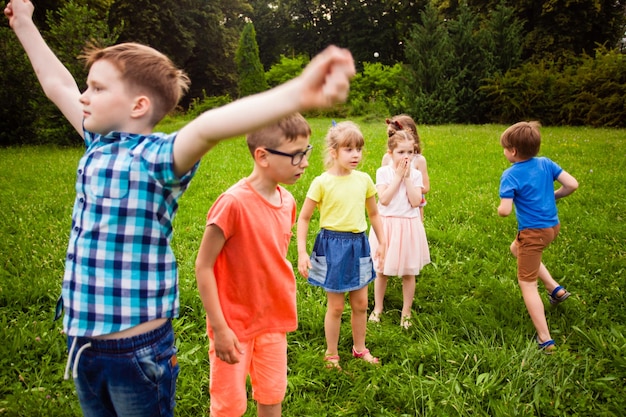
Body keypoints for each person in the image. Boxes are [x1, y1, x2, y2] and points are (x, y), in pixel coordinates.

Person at [5, 0, 355, 415]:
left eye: (97, 88)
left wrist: (296, 92)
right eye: (87, 86)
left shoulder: (159, 159)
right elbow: (55, 84)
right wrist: (25, 23)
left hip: (138, 353)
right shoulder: (97, 143)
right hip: (83, 344)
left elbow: (208, 127)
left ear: (138, 106)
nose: (83, 96)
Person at [195, 114, 312, 417]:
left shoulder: (287, 201)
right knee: (229, 407)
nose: (305, 163)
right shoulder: (232, 203)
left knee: (272, 396)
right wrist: (220, 328)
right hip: (233, 326)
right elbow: (203, 266)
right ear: (262, 156)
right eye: (297, 155)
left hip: (274, 320)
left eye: (306, 152)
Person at [297, 121, 386, 369]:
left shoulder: (364, 180)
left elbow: (374, 214)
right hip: (332, 247)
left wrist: (383, 241)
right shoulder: (322, 182)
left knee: (361, 304)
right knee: (335, 307)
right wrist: (302, 252)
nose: (356, 154)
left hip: (358, 246)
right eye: (348, 149)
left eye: (358, 149)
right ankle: (332, 353)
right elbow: (303, 218)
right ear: (334, 151)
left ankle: (360, 349)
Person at [497, 121, 578, 352]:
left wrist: (501, 209)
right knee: (516, 249)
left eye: (505, 148)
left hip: (532, 234)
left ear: (513, 151)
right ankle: (556, 289)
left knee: (527, 283)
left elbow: (504, 210)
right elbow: (572, 184)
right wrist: (555, 195)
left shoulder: (510, 175)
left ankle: (545, 339)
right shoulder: (545, 163)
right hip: (552, 227)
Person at [367, 130, 430, 329]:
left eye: (410, 152)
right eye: (401, 152)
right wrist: (398, 177)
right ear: (391, 153)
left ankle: (406, 311)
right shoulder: (383, 172)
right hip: (387, 225)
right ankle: (378, 308)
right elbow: (384, 199)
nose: (405, 156)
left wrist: (408, 178)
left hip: (408, 225)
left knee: (408, 272)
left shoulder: (416, 174)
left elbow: (415, 202)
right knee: (381, 269)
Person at [382, 114, 430, 221]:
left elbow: (426, 188)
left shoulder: (418, 160)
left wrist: (409, 183)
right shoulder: (387, 158)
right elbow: (383, 185)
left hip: (412, 205)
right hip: (392, 204)